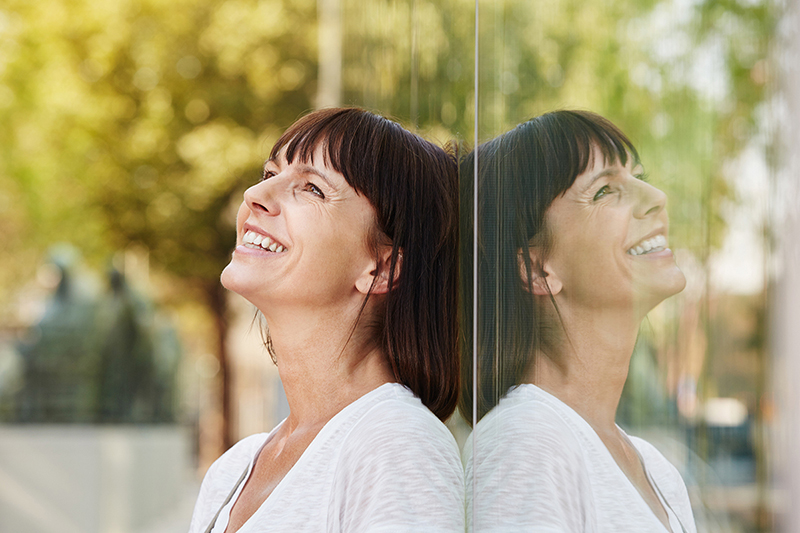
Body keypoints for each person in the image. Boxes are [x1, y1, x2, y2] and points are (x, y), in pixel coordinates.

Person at [188, 108, 464, 532]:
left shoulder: (395, 447)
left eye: (312, 189)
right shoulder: (232, 470)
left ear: (383, 267)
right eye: (270, 173)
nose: (254, 195)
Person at [460, 110, 697, 532]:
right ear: (535, 269)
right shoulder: (526, 447)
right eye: (605, 191)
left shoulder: (655, 468)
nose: (656, 196)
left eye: (637, 176)